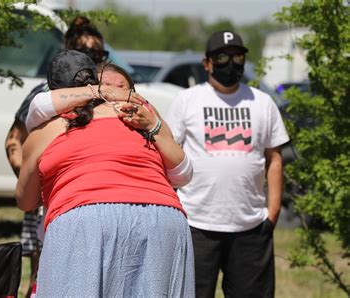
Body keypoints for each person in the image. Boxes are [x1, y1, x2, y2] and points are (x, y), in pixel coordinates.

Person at [16, 50, 195, 297]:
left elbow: (25, 200)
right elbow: (183, 174)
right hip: (163, 218)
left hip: (84, 220)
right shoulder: (141, 117)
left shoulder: (44, 130)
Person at [165, 30, 290, 298]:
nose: (231, 63)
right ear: (207, 63)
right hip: (196, 224)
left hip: (251, 227)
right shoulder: (187, 101)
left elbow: (275, 158)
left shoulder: (263, 102)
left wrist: (273, 211)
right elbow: (168, 155)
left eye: (238, 56)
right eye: (222, 57)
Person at [4, 16, 108, 298]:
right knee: (41, 279)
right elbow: (13, 141)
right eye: (88, 54)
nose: (94, 60)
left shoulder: (107, 96)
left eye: (100, 54)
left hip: (88, 201)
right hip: (47, 201)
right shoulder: (44, 93)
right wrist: (34, 183)